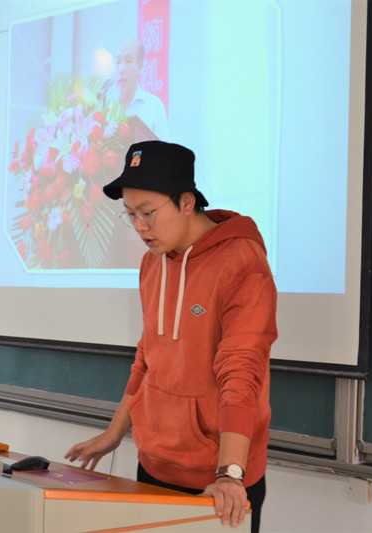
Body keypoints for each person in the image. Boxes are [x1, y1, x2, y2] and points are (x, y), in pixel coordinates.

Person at [65, 140, 277, 532]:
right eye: (130, 214)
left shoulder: (241, 262)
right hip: (154, 465)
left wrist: (230, 474)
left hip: (217, 481)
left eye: (148, 212)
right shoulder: (152, 263)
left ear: (186, 202)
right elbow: (148, 358)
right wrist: (115, 432)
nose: (140, 227)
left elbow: (242, 371)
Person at [112, 39, 169, 139]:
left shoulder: (154, 106)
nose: (121, 69)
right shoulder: (107, 108)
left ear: (140, 67)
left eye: (128, 61)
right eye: (118, 62)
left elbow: (163, 147)